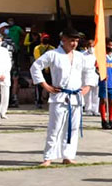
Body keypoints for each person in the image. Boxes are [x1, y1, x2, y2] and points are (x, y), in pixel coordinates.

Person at [30, 28, 97, 166]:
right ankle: (48, 157)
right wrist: (46, 86)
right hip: (59, 95)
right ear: (63, 40)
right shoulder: (53, 54)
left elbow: (90, 71)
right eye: (72, 40)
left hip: (76, 96)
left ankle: (68, 155)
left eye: (76, 41)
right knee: (55, 127)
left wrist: (88, 86)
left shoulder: (80, 56)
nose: (74, 44)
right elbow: (35, 67)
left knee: (72, 128)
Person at [98, 38, 112, 130]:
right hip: (103, 82)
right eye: (108, 45)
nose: (110, 46)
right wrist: (101, 74)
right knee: (103, 100)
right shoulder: (102, 57)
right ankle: (103, 120)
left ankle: (110, 120)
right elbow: (96, 68)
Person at [77, 39, 100, 117]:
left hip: (96, 75)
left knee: (96, 93)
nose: (91, 47)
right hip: (86, 74)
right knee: (88, 93)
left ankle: (95, 109)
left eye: (93, 46)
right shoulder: (82, 55)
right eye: (90, 46)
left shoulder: (98, 54)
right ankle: (88, 109)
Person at [33, 33, 55, 108]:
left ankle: (51, 101)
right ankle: (38, 101)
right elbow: (37, 58)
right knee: (39, 86)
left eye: (47, 38)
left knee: (51, 85)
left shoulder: (52, 48)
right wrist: (45, 68)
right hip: (41, 70)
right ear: (41, 39)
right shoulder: (37, 48)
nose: (45, 39)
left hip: (51, 70)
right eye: (44, 38)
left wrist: (49, 68)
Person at [0, 33, 10, 119]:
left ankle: (3, 112)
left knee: (5, 95)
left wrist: (3, 74)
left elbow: (8, 64)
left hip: (5, 75)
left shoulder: (5, 50)